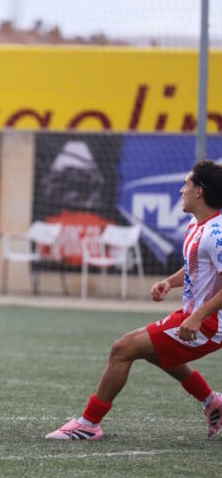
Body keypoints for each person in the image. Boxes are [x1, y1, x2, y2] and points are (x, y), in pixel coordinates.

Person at [46, 160, 222, 441]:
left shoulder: (217, 233)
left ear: (200, 191)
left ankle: (88, 424)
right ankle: (212, 402)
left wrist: (198, 316)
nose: (181, 190)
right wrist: (169, 282)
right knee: (155, 352)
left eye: (187, 184)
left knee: (123, 348)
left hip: (209, 325)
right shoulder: (197, 224)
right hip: (194, 315)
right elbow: (196, 267)